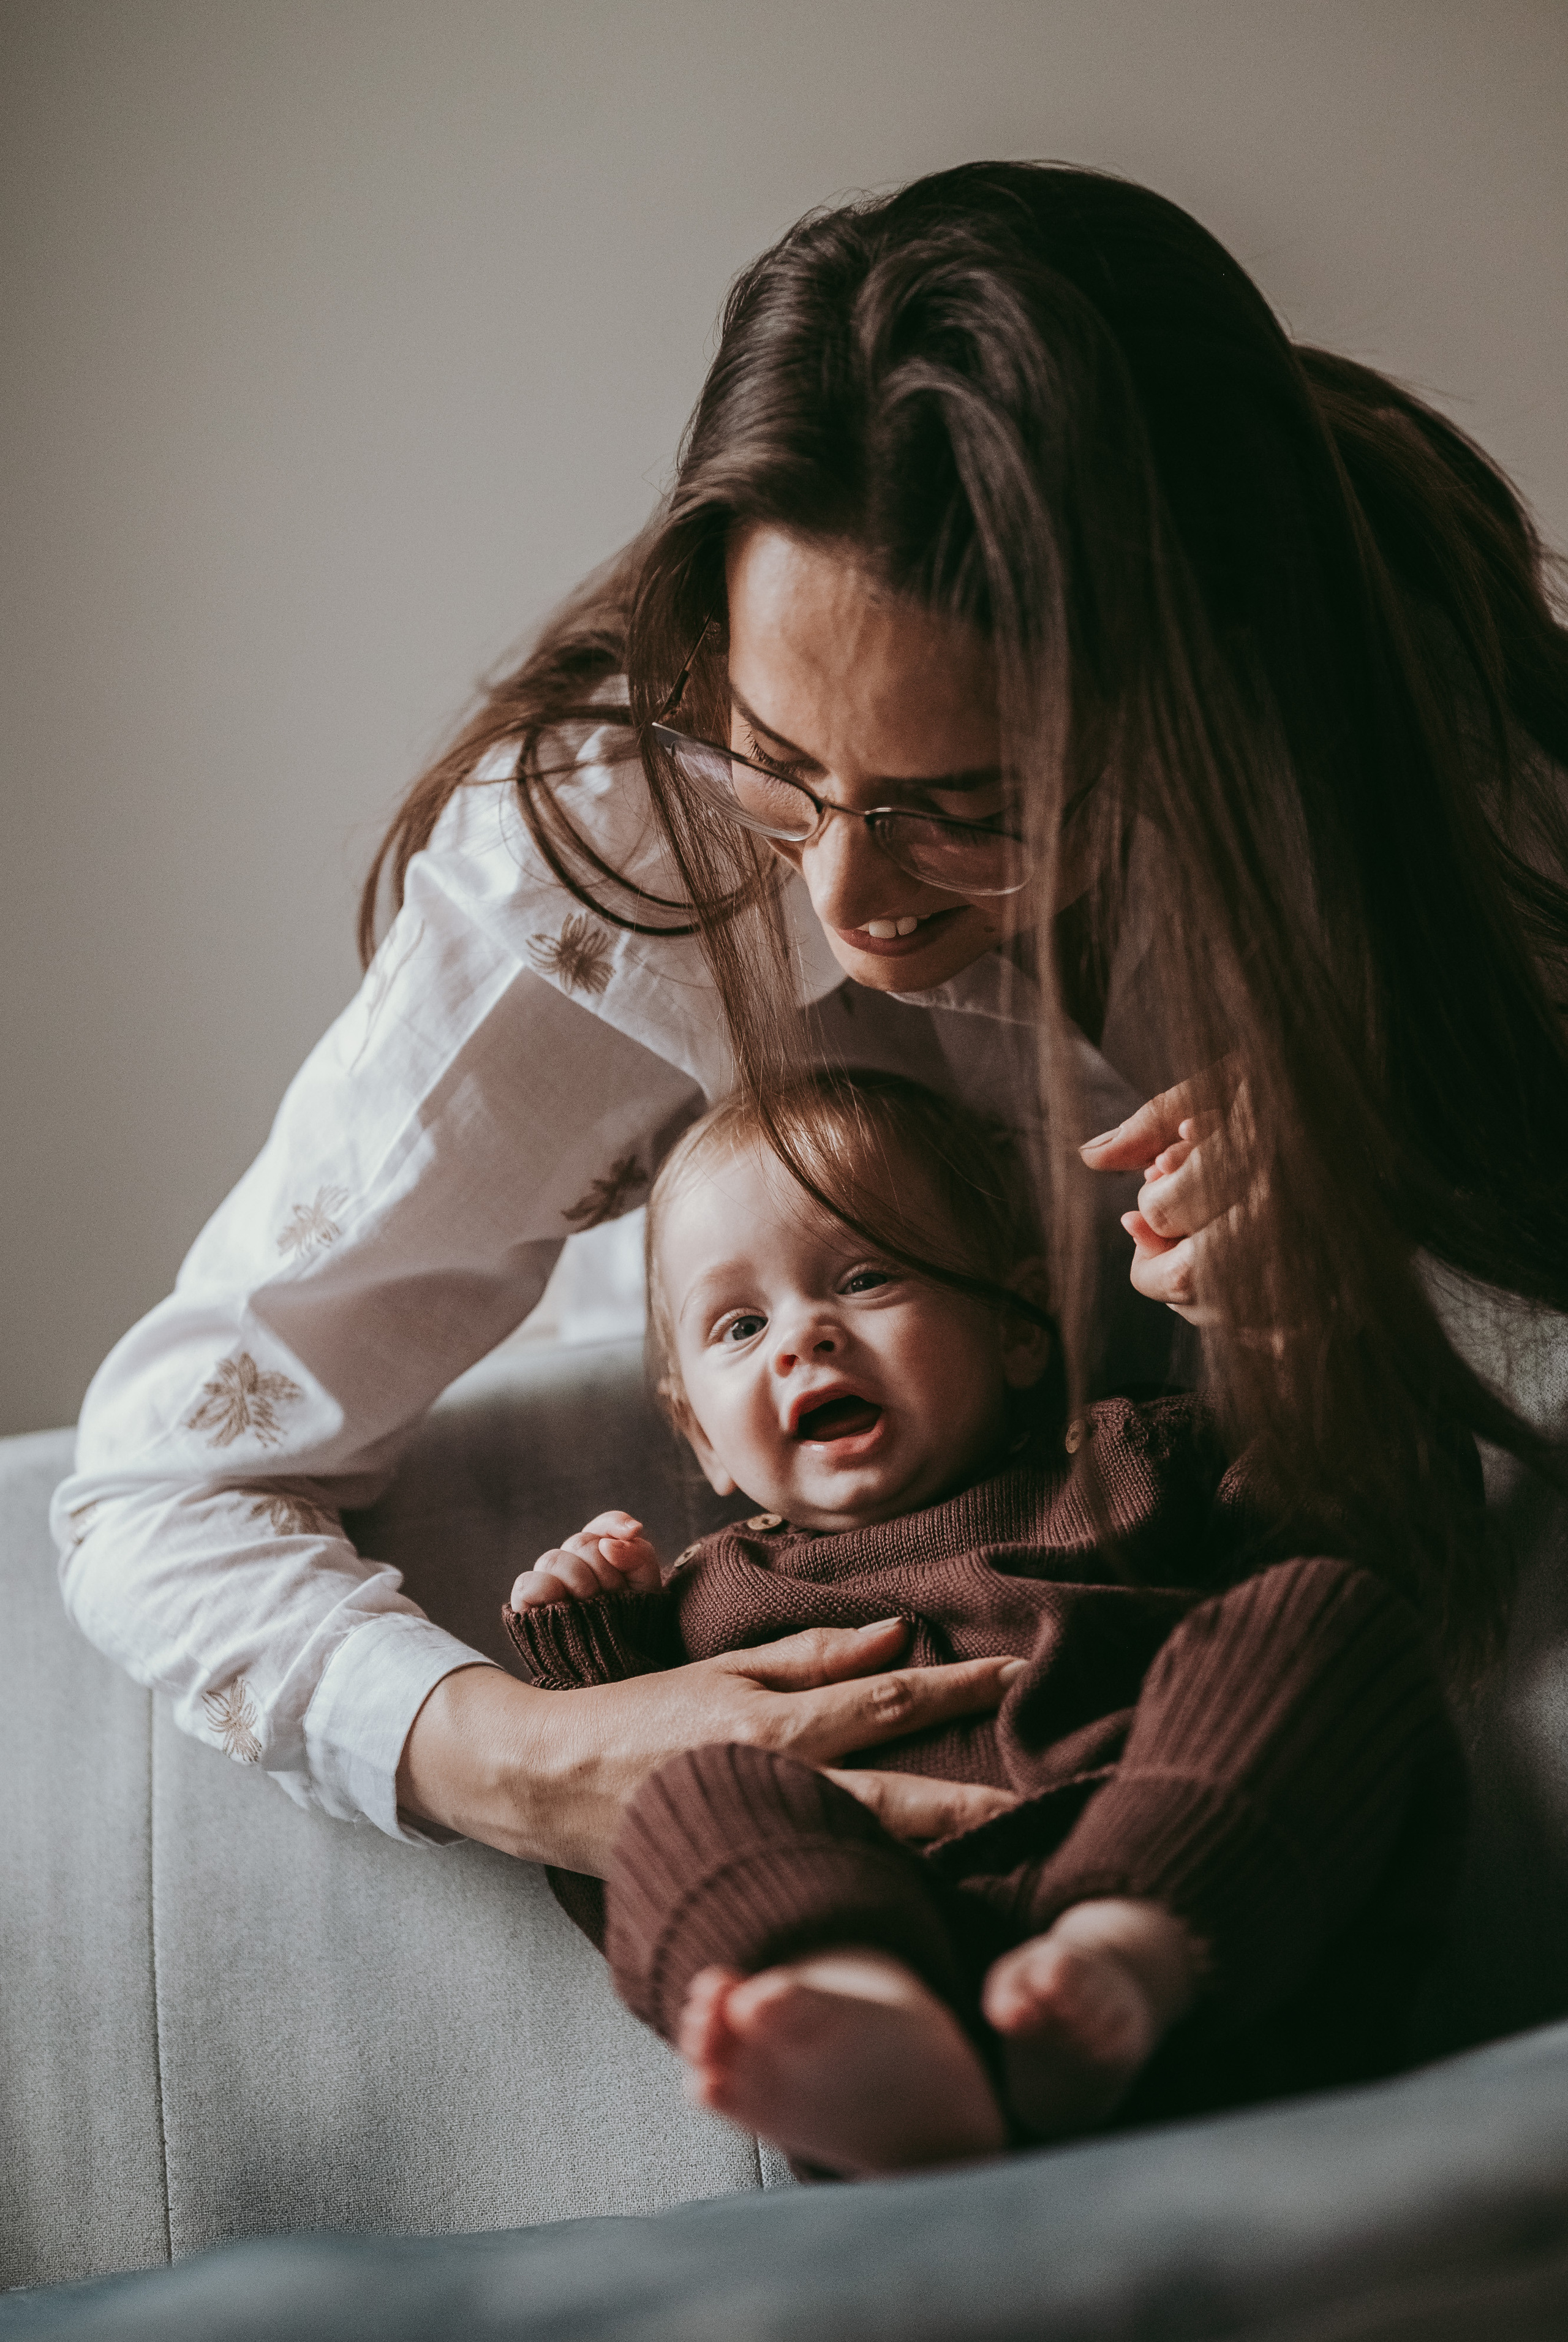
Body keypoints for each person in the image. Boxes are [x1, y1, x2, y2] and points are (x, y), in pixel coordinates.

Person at [51, 161, 1567, 1886]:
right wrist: (528, 1753)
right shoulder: (630, 864)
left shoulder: (1450, 774)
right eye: (784, 772)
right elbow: (156, 1490)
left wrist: (1376, 1262)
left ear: (1208, 693)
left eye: (970, 804)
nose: (847, 907)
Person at [502, 1071, 1464, 2180]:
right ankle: (874, 2023)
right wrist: (597, 1659)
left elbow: (1358, 1523)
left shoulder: (1126, 1463)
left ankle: (1120, 1954)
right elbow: (606, 1855)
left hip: (1205, 1931)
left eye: (865, 1277)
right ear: (699, 1438)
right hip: (906, 1959)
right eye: (739, 1324)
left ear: (1016, 1329)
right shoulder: (704, 1603)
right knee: (679, 1791)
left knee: (1317, 1612)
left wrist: (1294, 1337)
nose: (801, 1339)